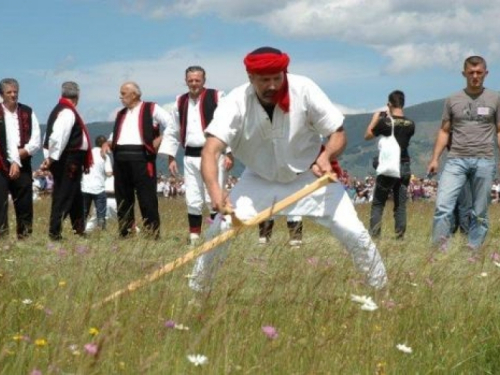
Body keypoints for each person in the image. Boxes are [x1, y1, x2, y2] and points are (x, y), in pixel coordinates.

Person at [188, 46, 387, 293]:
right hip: (258, 179)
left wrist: (327, 156)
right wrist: (216, 194)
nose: (272, 85)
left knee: (352, 230)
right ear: (251, 78)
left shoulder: (304, 89)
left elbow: (337, 133)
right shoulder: (235, 102)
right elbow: (211, 150)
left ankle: (381, 292)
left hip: (309, 177)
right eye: (264, 80)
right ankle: (197, 294)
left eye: (276, 78)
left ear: (284, 73)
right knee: (220, 230)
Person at [427, 55, 500, 251]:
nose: (475, 76)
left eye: (479, 72)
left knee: (480, 211)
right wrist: (435, 158)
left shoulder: (495, 98)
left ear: (486, 73)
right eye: (471, 72)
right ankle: (440, 251)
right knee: (443, 206)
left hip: (485, 159)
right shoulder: (452, 99)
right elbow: (444, 131)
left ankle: (473, 250)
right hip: (455, 160)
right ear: (464, 74)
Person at [160, 66, 234, 245]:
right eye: (190, 80)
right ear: (186, 81)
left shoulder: (217, 97)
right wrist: (171, 157)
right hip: (190, 156)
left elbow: (227, 123)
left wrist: (229, 152)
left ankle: (217, 234)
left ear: (204, 81)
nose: (194, 84)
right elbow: (173, 130)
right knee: (192, 197)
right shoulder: (180, 101)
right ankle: (194, 237)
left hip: (214, 154)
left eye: (197, 80)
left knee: (212, 198)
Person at [110, 81, 173, 239]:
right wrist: (108, 142)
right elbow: (117, 133)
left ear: (134, 94)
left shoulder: (151, 108)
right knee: (123, 197)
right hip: (120, 156)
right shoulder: (121, 113)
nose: (120, 96)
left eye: (123, 93)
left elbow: (172, 124)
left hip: (141, 156)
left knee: (146, 197)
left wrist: (160, 139)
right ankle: (125, 232)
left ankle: (152, 234)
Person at [41, 81, 93, 241]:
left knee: (76, 196)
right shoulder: (67, 112)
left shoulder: (61, 110)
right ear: (77, 96)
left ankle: (79, 230)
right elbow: (58, 137)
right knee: (63, 194)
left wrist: (49, 156)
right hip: (68, 159)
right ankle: (54, 232)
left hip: (69, 158)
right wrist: (51, 158)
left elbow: (48, 137)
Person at [364, 90, 415, 239]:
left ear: (389, 104)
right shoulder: (411, 124)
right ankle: (400, 236)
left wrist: (375, 119)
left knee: (379, 203)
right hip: (405, 165)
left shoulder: (385, 123)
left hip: (388, 166)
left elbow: (367, 135)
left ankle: (374, 236)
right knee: (400, 205)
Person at [0, 78, 41, 239]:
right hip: (1, 160)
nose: (13, 95)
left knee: (24, 202)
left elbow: (36, 140)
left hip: (23, 159)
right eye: (9, 92)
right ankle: (2, 238)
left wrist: (17, 159)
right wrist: (12, 160)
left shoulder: (27, 111)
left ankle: (25, 236)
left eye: (15, 91)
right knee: (1, 203)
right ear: (2, 94)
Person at [81, 135, 112, 230]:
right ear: (105, 144)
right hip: (99, 188)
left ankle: (80, 230)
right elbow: (109, 173)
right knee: (101, 213)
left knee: (83, 212)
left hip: (85, 187)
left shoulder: (87, 154)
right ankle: (101, 231)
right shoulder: (105, 156)